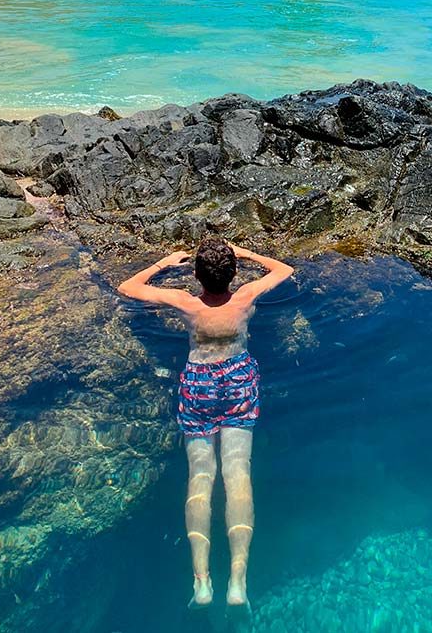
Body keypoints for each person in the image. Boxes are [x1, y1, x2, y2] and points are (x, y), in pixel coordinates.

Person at [117, 238, 294, 611]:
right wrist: (247, 254)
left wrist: (162, 263)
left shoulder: (187, 303)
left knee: (200, 476)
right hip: (238, 381)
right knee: (237, 474)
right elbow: (284, 270)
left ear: (196, 276)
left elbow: (128, 288)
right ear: (233, 275)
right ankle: (238, 582)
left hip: (199, 384)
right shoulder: (245, 298)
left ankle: (201, 582)